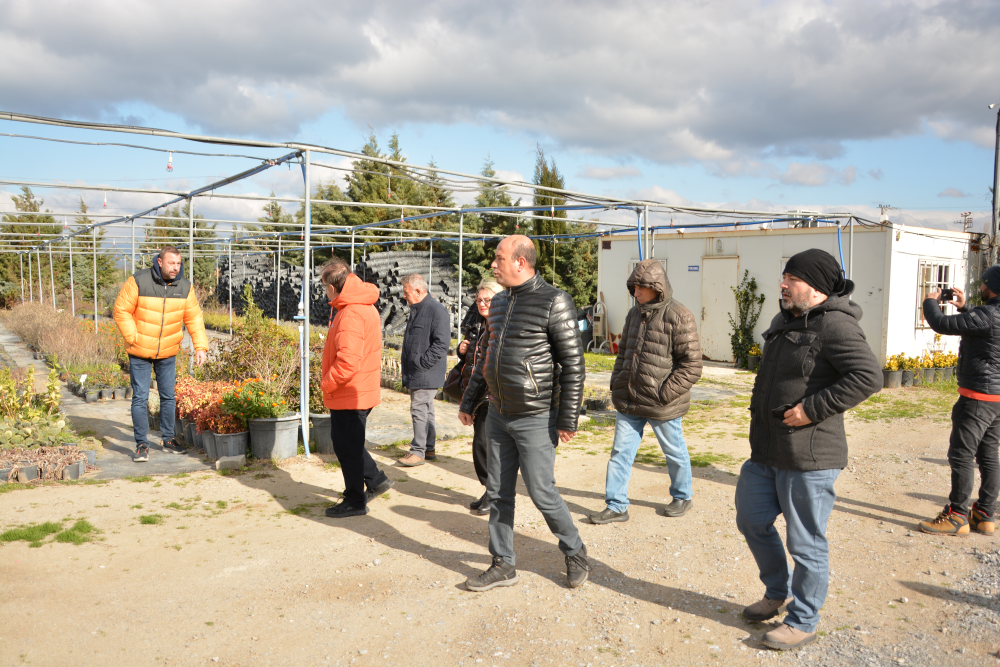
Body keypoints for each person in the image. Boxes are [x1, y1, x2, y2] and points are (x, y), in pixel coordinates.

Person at [735, 248, 881, 650]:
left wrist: (811, 409)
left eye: (792, 279)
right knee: (751, 519)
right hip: (766, 451)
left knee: (805, 542)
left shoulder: (836, 325)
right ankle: (776, 592)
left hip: (809, 458)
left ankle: (803, 621)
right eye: (784, 277)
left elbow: (868, 376)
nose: (782, 284)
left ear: (816, 288)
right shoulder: (784, 320)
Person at [459, 235, 589, 591]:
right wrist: (469, 401)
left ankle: (575, 550)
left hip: (536, 416)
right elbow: (487, 358)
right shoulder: (499, 303)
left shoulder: (554, 301)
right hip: (499, 414)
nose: (493, 264)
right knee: (498, 492)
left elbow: (573, 365)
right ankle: (503, 563)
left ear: (520, 262)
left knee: (541, 491)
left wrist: (568, 418)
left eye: (499, 258)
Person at [588, 259, 702, 525]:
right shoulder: (633, 314)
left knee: (674, 452)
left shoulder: (680, 316)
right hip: (629, 399)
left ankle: (682, 496)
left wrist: (663, 394)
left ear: (656, 287)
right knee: (620, 453)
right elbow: (624, 353)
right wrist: (617, 382)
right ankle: (616, 505)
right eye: (633, 287)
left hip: (663, 404)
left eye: (640, 288)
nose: (635, 293)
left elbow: (692, 365)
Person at [918, 266, 1000, 536]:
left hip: (976, 398)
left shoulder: (986, 315)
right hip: (996, 398)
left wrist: (930, 301)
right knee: (989, 455)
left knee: (961, 455)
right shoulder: (988, 314)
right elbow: (985, 325)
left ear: (992, 287)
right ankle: (985, 515)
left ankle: (957, 516)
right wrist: (966, 308)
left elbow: (941, 324)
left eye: (984, 283)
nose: (981, 286)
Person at [113, 246, 209, 463]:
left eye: (178, 263)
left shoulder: (185, 287)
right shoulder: (138, 281)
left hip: (167, 351)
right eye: (171, 263)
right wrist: (133, 337)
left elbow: (194, 318)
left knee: (168, 396)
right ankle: (142, 444)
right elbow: (121, 309)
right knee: (140, 397)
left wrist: (200, 347)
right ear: (160, 262)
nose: (175, 268)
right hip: (140, 351)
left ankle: (168, 439)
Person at [320, 257, 393, 518]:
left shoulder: (350, 312)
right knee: (350, 443)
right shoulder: (363, 305)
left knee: (347, 448)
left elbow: (348, 362)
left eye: (324, 286)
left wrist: (326, 383)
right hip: (359, 389)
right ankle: (375, 480)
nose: (324, 291)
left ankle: (355, 500)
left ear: (331, 287)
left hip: (350, 392)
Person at [459, 280, 505, 515]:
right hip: (477, 392)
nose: (482, 304)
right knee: (482, 446)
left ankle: (494, 494)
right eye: (479, 300)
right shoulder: (476, 324)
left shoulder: (503, 324)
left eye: (487, 300)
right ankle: (490, 491)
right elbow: (474, 361)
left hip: (495, 395)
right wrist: (462, 350)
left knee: (484, 445)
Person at [398, 273, 451, 467]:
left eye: (406, 292)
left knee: (419, 409)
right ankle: (428, 449)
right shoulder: (417, 309)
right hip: (419, 371)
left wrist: (422, 364)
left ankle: (417, 452)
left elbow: (442, 344)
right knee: (426, 411)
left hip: (426, 372)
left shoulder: (436, 310)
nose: (404, 296)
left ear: (418, 291)